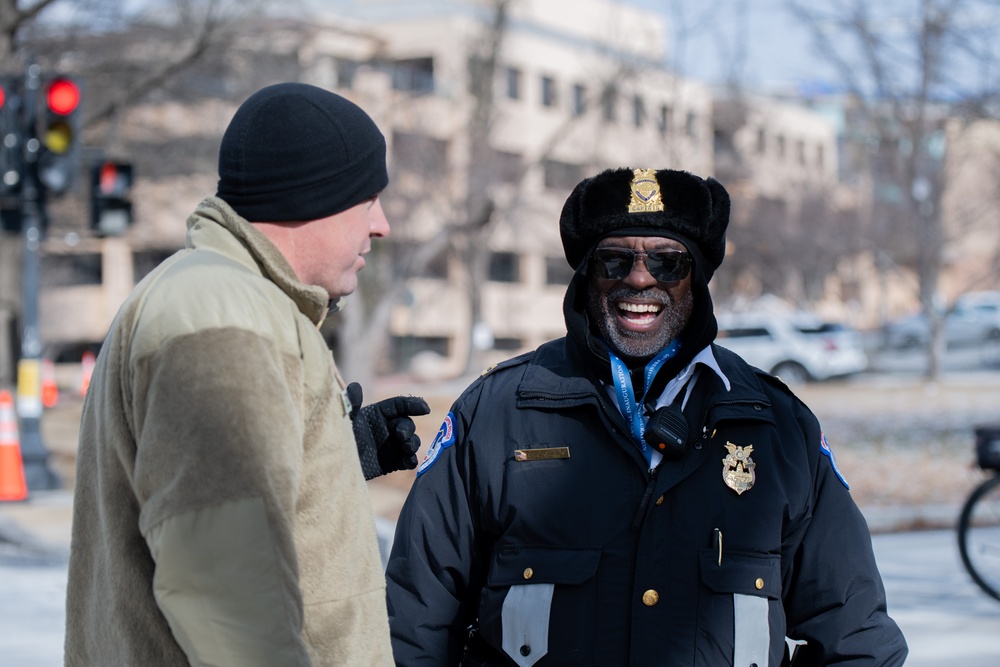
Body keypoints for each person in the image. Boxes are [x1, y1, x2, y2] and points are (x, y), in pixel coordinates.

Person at [385, 167, 908, 666]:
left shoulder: (777, 427)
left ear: (695, 279)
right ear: (589, 276)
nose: (639, 278)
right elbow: (413, 623)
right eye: (615, 261)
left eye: (667, 262)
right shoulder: (496, 413)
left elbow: (857, 638)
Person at [64, 83, 430, 666]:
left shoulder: (226, 299)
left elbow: (218, 503)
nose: (380, 225)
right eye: (368, 199)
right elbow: (223, 587)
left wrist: (330, 455)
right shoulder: (224, 317)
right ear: (316, 194)